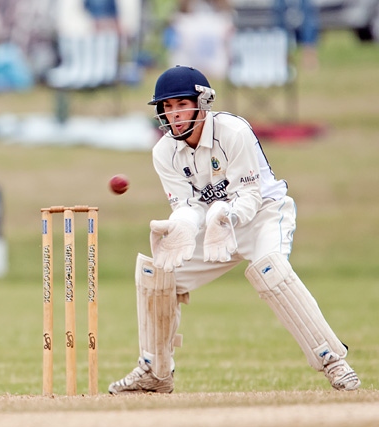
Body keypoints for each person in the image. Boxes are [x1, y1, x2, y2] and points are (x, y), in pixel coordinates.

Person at [108, 65, 361, 394]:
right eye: (167, 107)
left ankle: (333, 361)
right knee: (158, 273)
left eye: (181, 104)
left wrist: (226, 217)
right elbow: (187, 205)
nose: (174, 115)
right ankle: (155, 371)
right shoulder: (163, 151)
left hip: (263, 214)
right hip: (213, 224)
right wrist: (182, 227)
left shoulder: (233, 131)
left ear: (202, 103)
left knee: (271, 270)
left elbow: (251, 194)